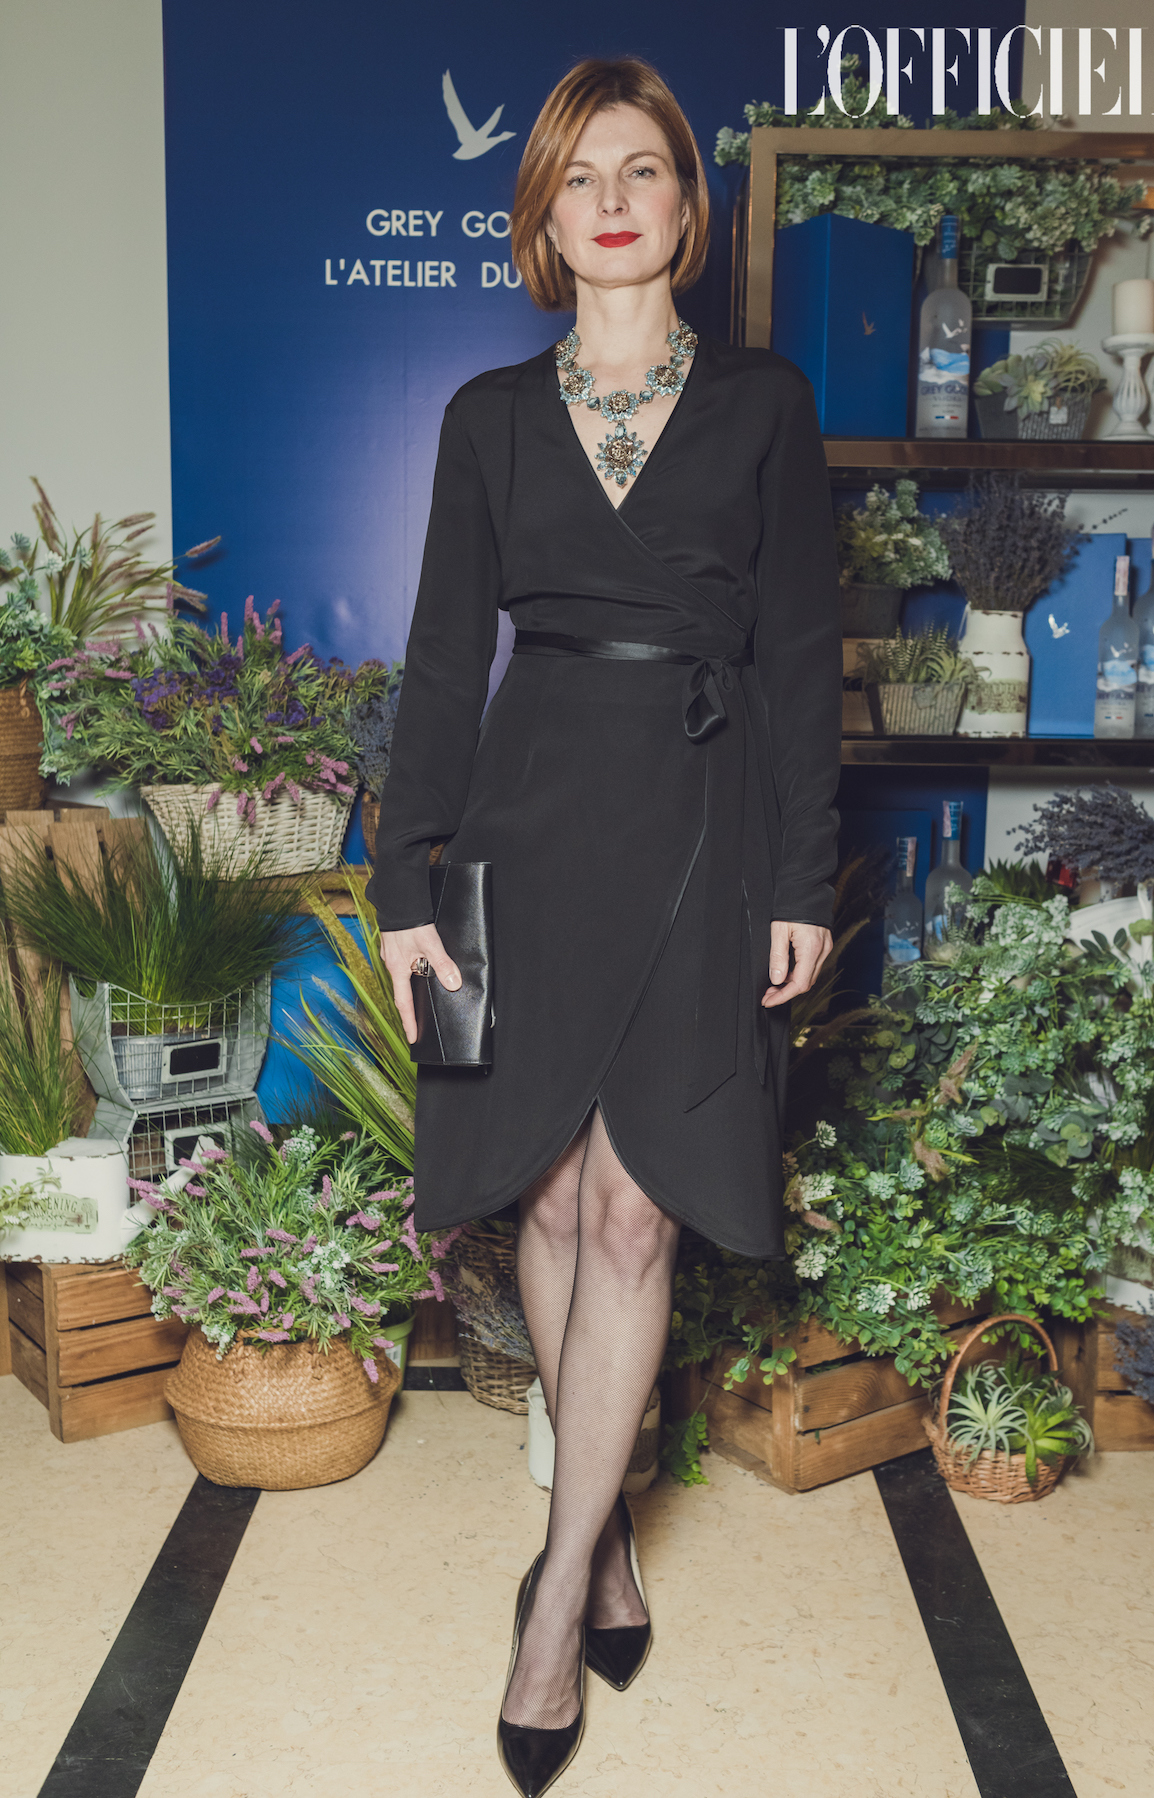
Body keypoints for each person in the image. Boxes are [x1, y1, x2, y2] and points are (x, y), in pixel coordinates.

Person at [367, 56, 840, 1798]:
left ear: (687, 207)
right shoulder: (487, 415)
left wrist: (802, 879)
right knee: (551, 1201)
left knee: (637, 1206)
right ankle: (612, 1534)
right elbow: (442, 661)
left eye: (644, 170)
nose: (615, 200)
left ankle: (554, 1597)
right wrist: (404, 879)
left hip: (705, 824)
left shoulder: (767, 403)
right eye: (582, 175)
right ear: (544, 216)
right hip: (527, 823)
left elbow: (801, 659)